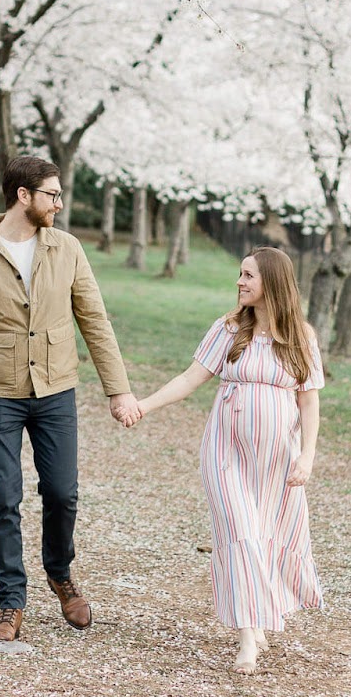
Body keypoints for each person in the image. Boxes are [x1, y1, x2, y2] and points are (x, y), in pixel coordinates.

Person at [0, 156, 140, 644]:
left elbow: (94, 320)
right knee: (3, 498)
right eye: (52, 194)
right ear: (23, 196)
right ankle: (10, 601)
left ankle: (60, 573)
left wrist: (119, 390)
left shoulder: (67, 249)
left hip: (55, 391)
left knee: (63, 492)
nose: (60, 203)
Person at [130, 246, 325, 674]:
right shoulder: (228, 328)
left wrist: (307, 457)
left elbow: (308, 403)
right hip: (225, 452)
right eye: (240, 274)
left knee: (266, 533)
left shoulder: (301, 338)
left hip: (276, 460)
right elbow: (190, 377)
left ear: (271, 282)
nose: (240, 282)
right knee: (241, 534)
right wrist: (144, 405)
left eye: (248, 275)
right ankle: (248, 638)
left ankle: (257, 619)